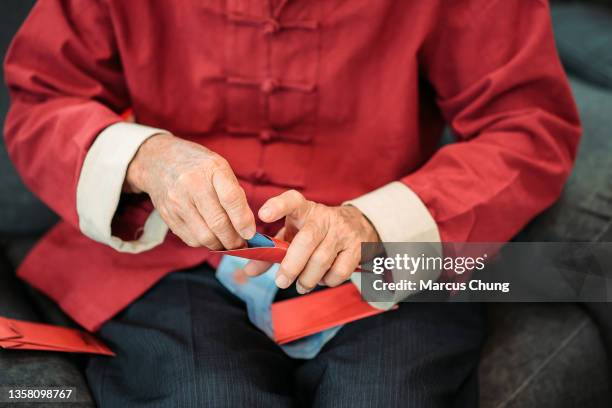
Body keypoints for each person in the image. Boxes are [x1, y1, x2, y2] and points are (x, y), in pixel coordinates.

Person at [3, 0, 580, 407]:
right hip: (166, 259)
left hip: (382, 263)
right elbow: (46, 98)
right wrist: (149, 160)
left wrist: (372, 222)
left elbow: (527, 126)